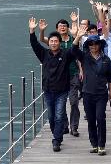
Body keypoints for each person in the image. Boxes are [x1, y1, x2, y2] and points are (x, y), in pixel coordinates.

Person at [28, 17, 79, 152]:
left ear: (59, 42)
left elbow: (74, 50)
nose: (54, 43)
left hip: (62, 91)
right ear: (49, 43)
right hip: (48, 91)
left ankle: (56, 140)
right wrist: (32, 31)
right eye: (51, 41)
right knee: (51, 117)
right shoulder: (44, 54)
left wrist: (77, 37)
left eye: (56, 41)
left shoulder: (66, 55)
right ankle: (57, 134)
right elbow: (34, 44)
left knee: (59, 115)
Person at [72, 20, 111, 155]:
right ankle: (94, 144)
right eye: (90, 44)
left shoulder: (106, 59)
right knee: (90, 119)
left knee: (100, 118)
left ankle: (102, 145)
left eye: (95, 44)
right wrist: (78, 36)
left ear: (100, 45)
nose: (93, 46)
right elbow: (73, 50)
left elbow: (110, 77)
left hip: (101, 94)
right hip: (87, 93)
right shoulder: (84, 57)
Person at [39, 14, 81, 136]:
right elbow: (42, 40)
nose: (62, 28)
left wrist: (82, 70)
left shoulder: (73, 40)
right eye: (60, 26)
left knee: (74, 102)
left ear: (68, 28)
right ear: (57, 29)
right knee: (60, 105)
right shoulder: (54, 42)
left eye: (64, 26)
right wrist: (42, 31)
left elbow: (78, 55)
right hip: (59, 77)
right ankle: (64, 125)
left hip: (73, 73)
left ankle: (74, 126)